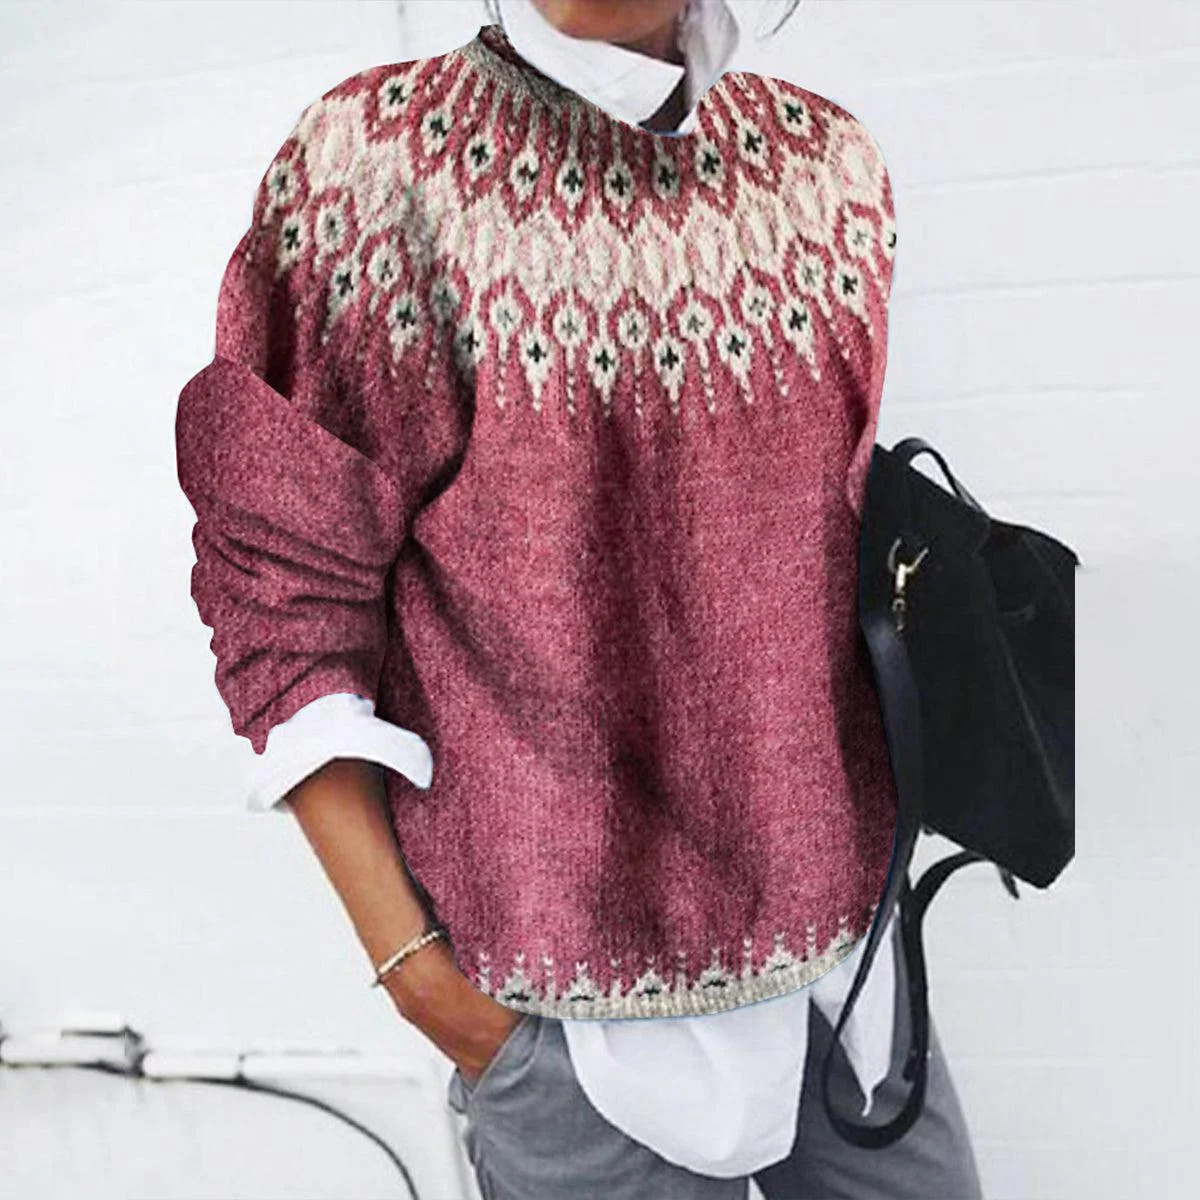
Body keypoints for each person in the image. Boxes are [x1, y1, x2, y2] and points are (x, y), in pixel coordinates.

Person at [175, 1, 984, 1196]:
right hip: (559, 1019)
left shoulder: (828, 167)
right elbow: (281, 601)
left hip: (848, 974)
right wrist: (425, 985)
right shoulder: (380, 168)